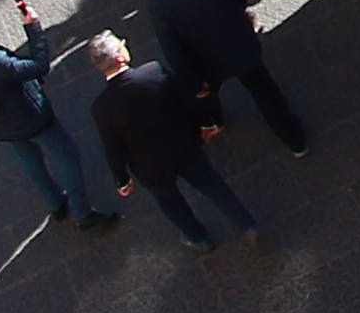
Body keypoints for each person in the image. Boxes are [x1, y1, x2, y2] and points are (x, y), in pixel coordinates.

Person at [135, 0, 309, 154]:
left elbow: (172, 47)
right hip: (237, 43)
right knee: (264, 91)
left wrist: (194, 82)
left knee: (208, 94)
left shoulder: (157, 2)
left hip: (204, 60)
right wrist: (237, 12)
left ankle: (215, 120)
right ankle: (295, 141)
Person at [0, 0, 107, 226]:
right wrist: (33, 27)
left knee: (32, 164)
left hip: (1, 127)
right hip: (33, 118)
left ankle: (55, 204)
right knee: (67, 157)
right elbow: (39, 65)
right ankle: (82, 212)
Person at [83, 33, 260, 249]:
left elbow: (112, 147)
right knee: (212, 185)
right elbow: (186, 100)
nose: (125, 47)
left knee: (171, 203)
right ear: (119, 58)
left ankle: (198, 239)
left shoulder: (101, 108)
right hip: (184, 146)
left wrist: (122, 180)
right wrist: (206, 122)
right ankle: (245, 224)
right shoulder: (153, 71)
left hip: (150, 167)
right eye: (122, 46)